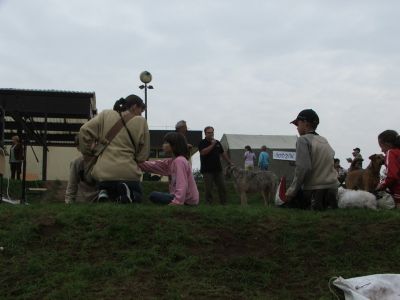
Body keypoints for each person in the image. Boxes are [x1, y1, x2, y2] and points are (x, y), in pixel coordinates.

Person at [79, 94, 150, 203]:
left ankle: (104, 192)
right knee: (138, 195)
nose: (140, 114)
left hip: (103, 175)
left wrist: (90, 151)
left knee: (107, 187)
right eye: (140, 111)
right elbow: (143, 156)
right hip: (129, 174)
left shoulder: (105, 115)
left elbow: (84, 131)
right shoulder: (141, 121)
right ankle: (129, 195)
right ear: (134, 107)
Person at [285, 109, 339, 210]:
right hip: (333, 191)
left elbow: (303, 168)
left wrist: (291, 191)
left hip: (315, 193)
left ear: (305, 123)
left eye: (297, 123)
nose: (297, 127)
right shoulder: (324, 140)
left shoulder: (303, 140)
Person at [139, 132, 199, 205]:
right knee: (155, 195)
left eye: (166, 142)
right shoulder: (171, 162)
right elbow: (152, 165)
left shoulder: (180, 161)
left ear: (174, 145)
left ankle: (178, 201)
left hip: (187, 200)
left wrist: (177, 202)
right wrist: (135, 162)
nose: (163, 145)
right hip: (181, 198)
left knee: (153, 195)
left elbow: (182, 183)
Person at [198, 126, 233, 204]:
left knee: (222, 187)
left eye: (212, 132)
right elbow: (203, 152)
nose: (211, 134)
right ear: (205, 133)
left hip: (218, 169)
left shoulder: (217, 142)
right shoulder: (202, 143)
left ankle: (224, 204)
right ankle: (208, 204)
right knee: (209, 189)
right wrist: (212, 145)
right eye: (209, 133)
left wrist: (229, 162)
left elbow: (222, 153)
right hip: (207, 170)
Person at [65, 135, 98, 203]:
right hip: (82, 203)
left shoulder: (100, 160)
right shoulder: (76, 163)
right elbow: (71, 187)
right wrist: (69, 205)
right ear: (78, 147)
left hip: (100, 202)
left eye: (90, 142)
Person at [375, 130, 400, 208]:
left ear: (387, 144)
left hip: (398, 194)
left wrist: (381, 185)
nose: (381, 150)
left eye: (381, 147)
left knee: (377, 202)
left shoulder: (391, 153)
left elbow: (392, 176)